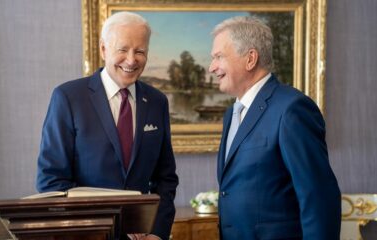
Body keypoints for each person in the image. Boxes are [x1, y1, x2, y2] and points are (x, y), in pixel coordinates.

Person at [36, 11, 178, 240]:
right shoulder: (68, 97)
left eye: (140, 51)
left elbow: (166, 178)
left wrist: (157, 232)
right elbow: (51, 181)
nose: (131, 60)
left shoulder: (157, 101)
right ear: (103, 49)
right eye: (122, 49)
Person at [209, 16, 341, 239]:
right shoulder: (231, 113)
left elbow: (318, 196)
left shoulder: (292, 109)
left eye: (219, 57)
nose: (212, 67)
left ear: (250, 58)